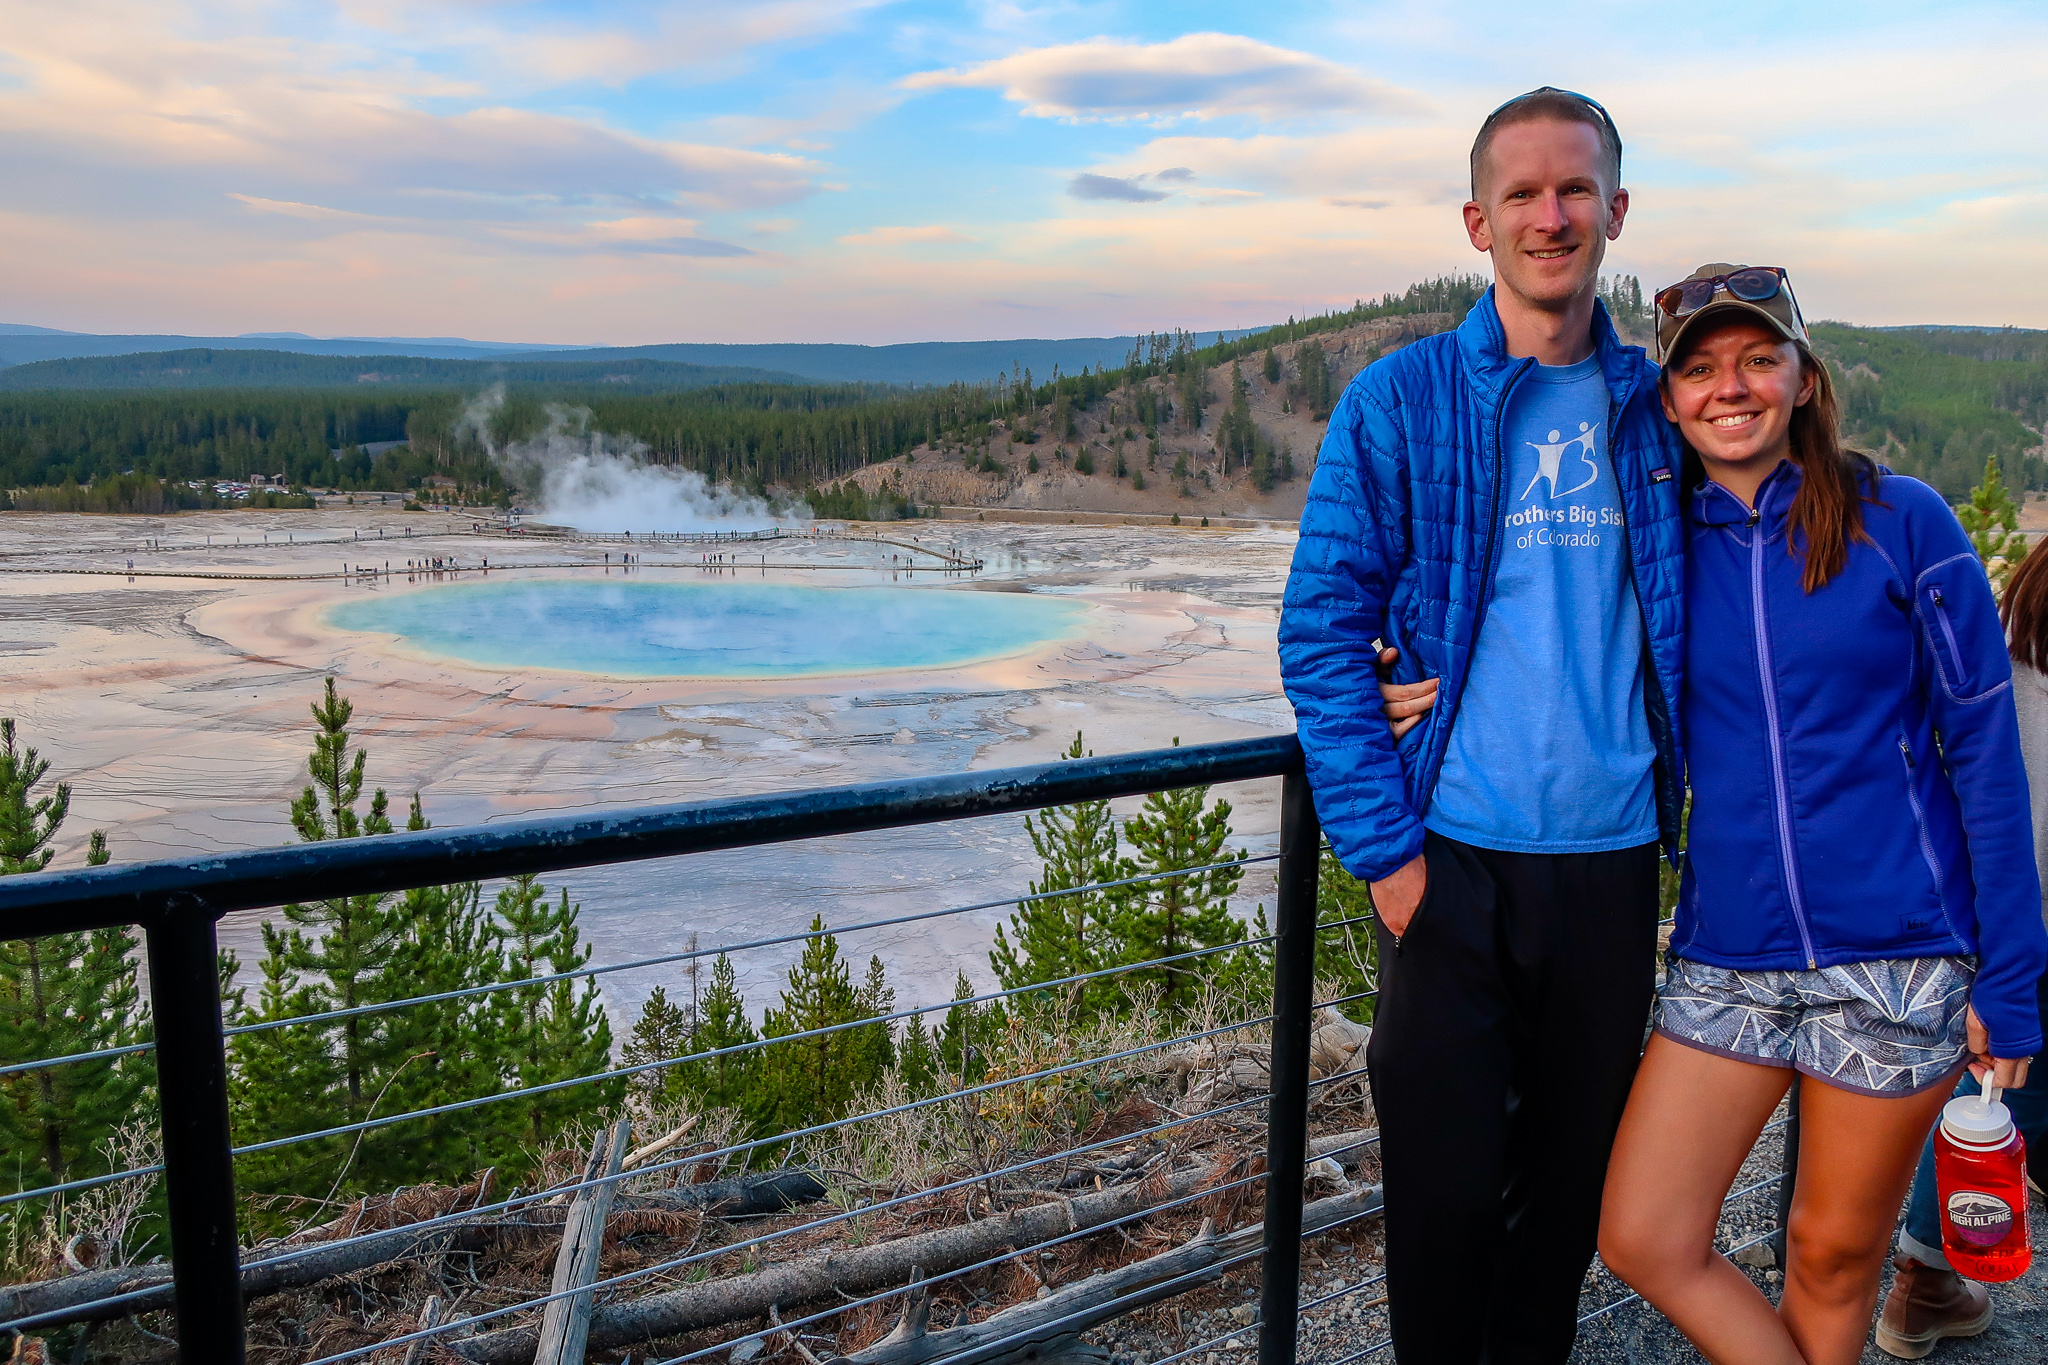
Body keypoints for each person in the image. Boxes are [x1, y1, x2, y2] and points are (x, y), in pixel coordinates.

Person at [1278, 88, 1686, 1362]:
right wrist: (1389, 862)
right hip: (1448, 862)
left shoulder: (1661, 413)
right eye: (1522, 193)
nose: (1550, 215)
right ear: (1476, 221)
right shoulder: (1398, 403)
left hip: (1611, 865)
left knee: (1560, 1212)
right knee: (1443, 1219)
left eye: (1575, 190)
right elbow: (1320, 629)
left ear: (1615, 212)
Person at [1593, 265, 2046, 1365]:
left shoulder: (1902, 521)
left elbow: (1984, 752)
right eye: (1696, 369)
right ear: (1667, 400)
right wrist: (1396, 667)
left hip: (1896, 960)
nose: (1727, 387)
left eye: (1756, 358)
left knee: (1829, 1260)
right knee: (1642, 1235)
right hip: (1725, 957)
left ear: (1802, 377)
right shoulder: (1658, 552)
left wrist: (2013, 977)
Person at [1876, 542, 2048, 1358]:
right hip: (2027, 905)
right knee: (2001, 1083)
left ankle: (1922, 1277)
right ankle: (1923, 1274)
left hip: (1990, 889)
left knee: (1995, 1085)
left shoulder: (2018, 601)